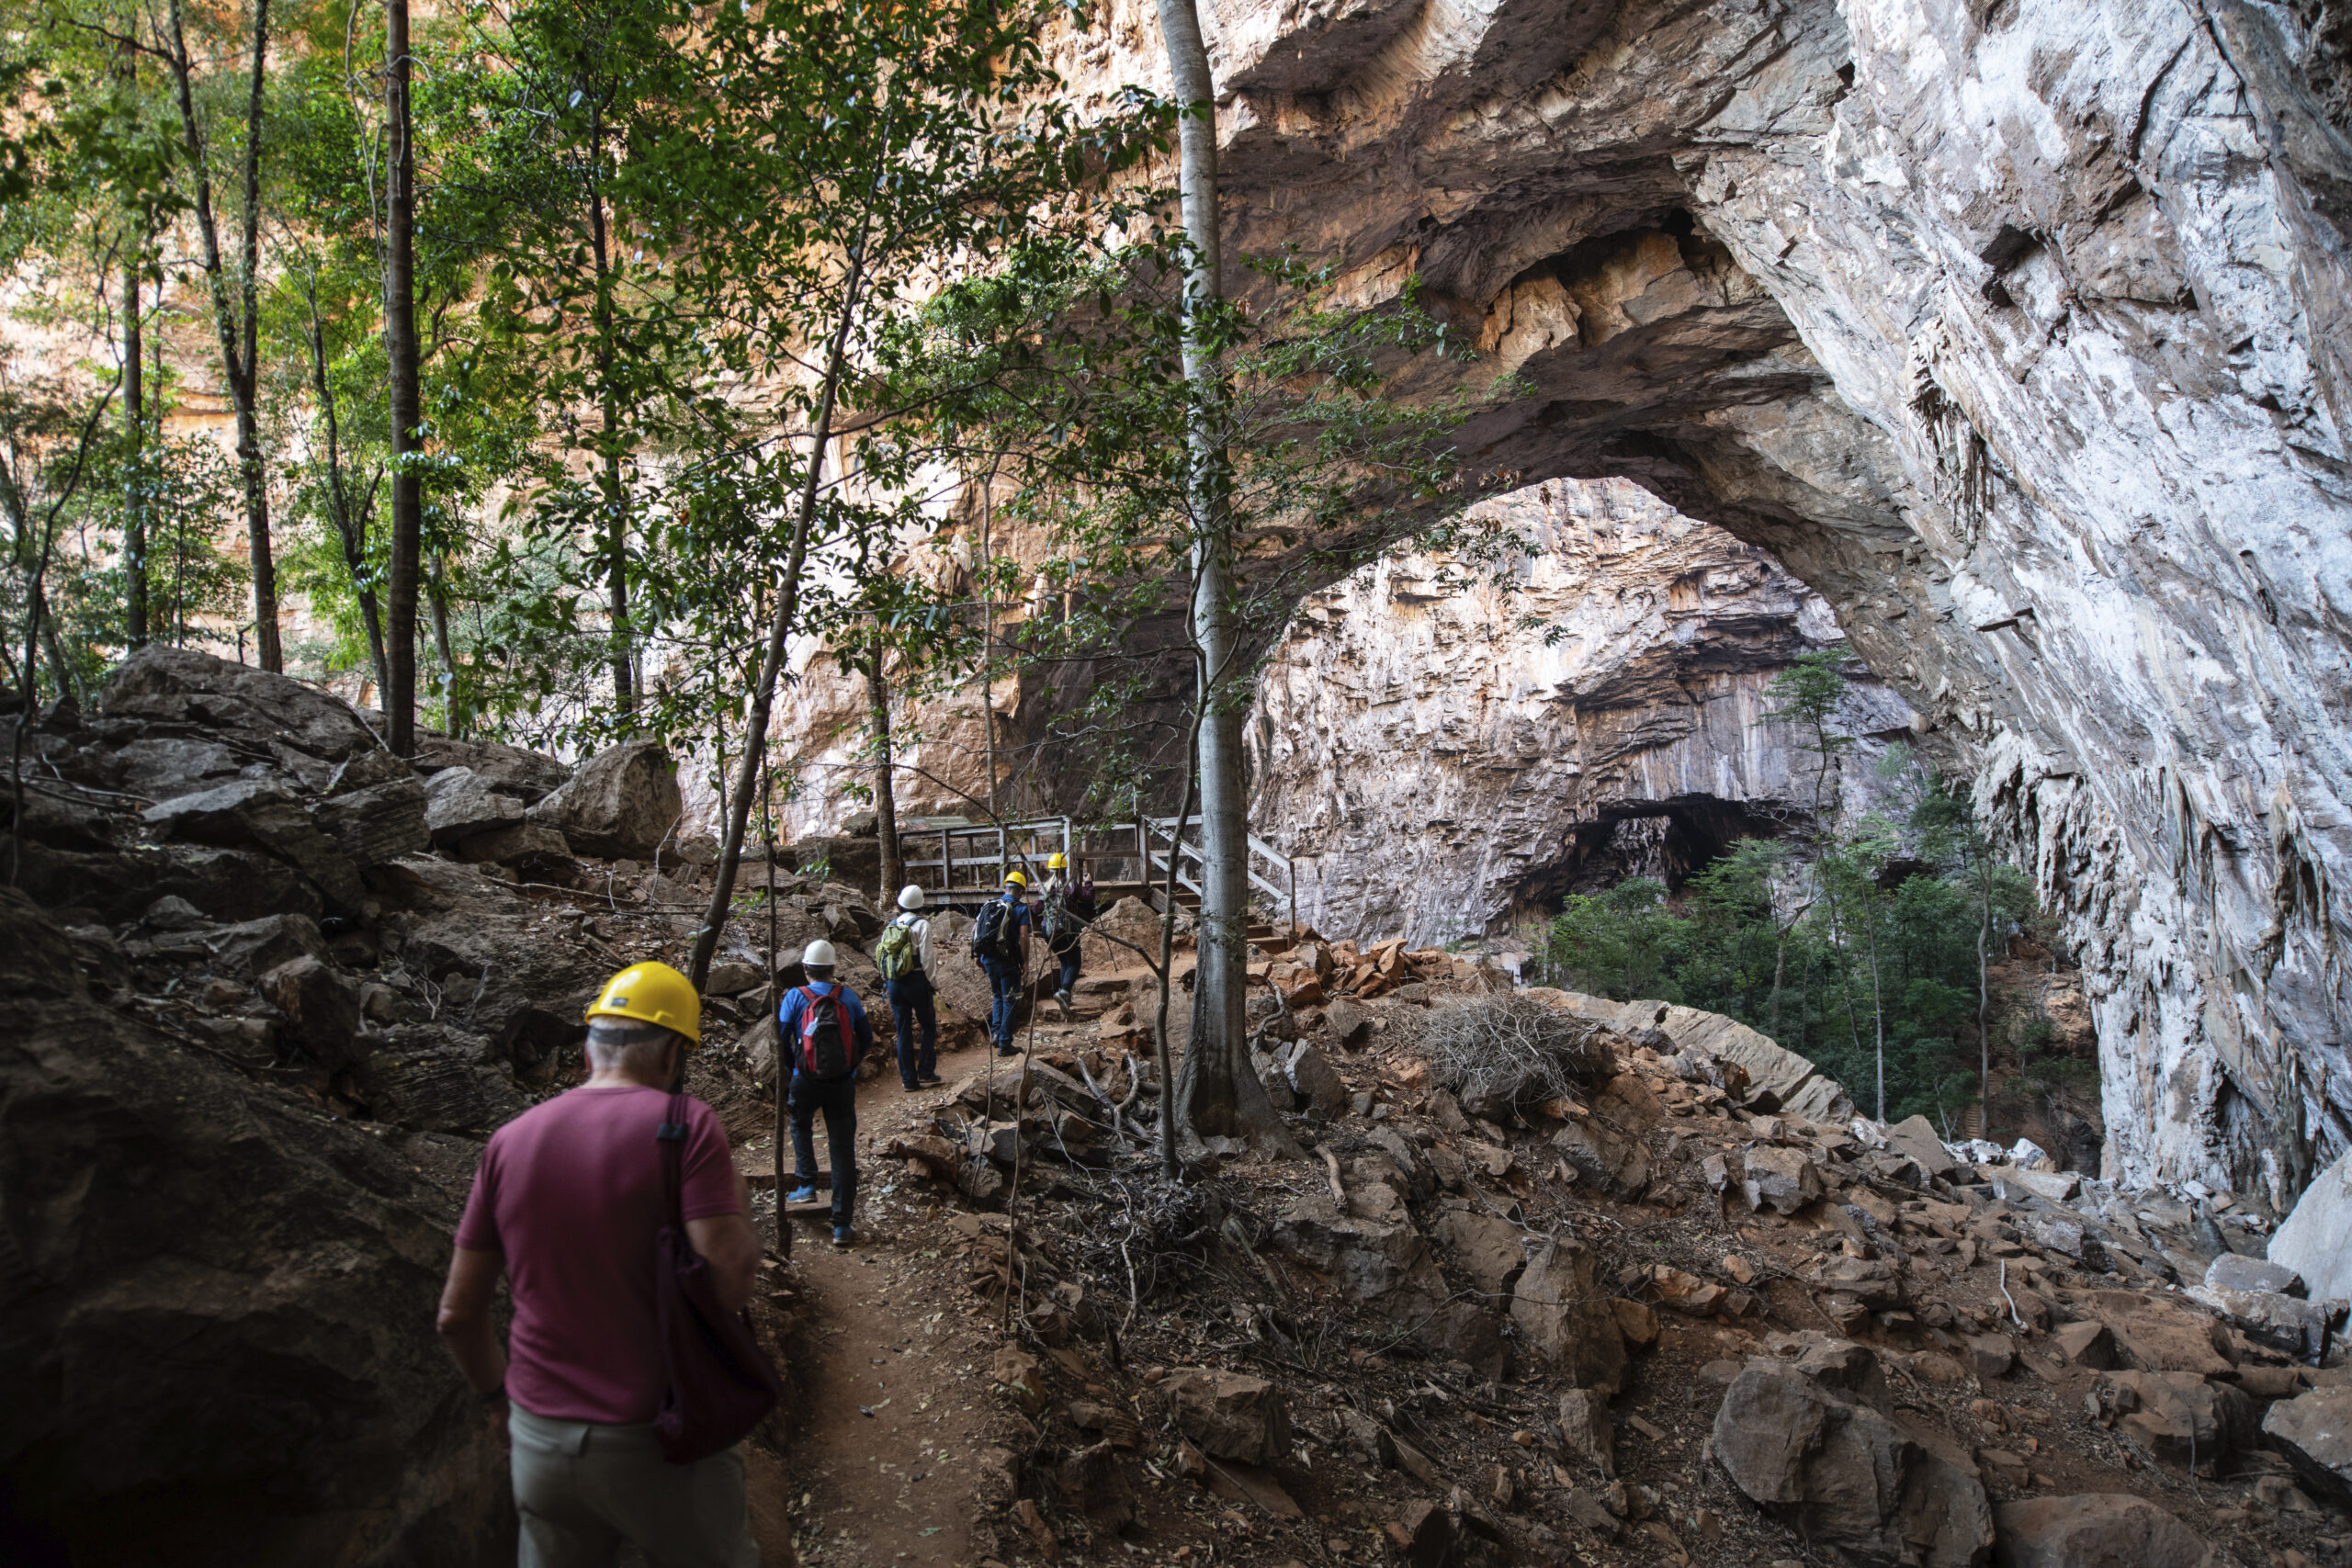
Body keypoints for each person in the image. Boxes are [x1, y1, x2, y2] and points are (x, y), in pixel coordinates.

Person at [435, 961, 763, 1568]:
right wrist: (738, 1212)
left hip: (539, 1442)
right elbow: (729, 1283)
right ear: (671, 1055)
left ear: (588, 1052)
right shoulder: (685, 1127)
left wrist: (499, 1403)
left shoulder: (508, 1142)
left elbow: (457, 1314)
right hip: (662, 1438)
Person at [779, 939, 874, 1247]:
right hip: (841, 1083)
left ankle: (806, 1183)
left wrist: (796, 1067)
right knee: (842, 1149)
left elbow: (782, 1040)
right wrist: (850, 1067)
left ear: (805, 969)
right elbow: (867, 1037)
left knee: (799, 1123)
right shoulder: (847, 997)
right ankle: (842, 1226)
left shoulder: (794, 997)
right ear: (833, 968)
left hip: (803, 1079)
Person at [876, 885, 941, 1091]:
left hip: (894, 983)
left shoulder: (891, 925)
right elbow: (927, 959)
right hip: (916, 981)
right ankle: (926, 1072)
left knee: (902, 1030)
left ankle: (908, 1080)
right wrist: (934, 984)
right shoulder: (922, 925)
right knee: (928, 1025)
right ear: (920, 904)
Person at [971, 870, 1032, 1057]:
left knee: (998, 997)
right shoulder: (1020, 909)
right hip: (1008, 962)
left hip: (988, 959)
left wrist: (977, 955)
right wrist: (1025, 961)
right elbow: (1023, 936)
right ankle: (1005, 1043)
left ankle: (996, 1034)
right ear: (1020, 890)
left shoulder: (989, 905)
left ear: (1006, 887)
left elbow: (976, 930)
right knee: (1010, 1000)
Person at [1037, 852, 1097, 1012]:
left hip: (1048, 930)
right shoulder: (1070, 885)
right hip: (1068, 930)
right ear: (1065, 869)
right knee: (1074, 963)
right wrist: (1089, 882)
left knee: (1064, 961)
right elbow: (1088, 897)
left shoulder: (1045, 887)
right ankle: (1064, 991)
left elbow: (1037, 908)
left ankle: (1066, 996)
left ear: (1051, 870)